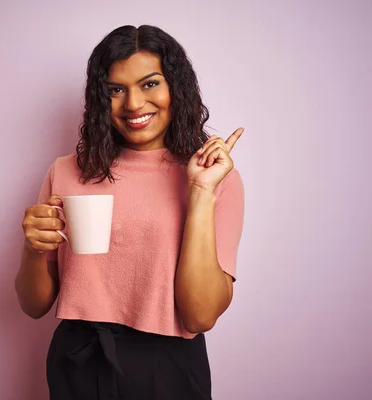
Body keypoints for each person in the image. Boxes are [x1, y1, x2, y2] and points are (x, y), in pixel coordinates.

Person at [15, 24, 244, 400]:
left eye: (150, 84)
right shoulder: (66, 171)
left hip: (167, 366)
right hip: (78, 360)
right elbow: (33, 305)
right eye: (116, 90)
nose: (134, 103)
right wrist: (32, 248)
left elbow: (200, 317)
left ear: (176, 87)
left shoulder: (215, 177)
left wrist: (201, 191)